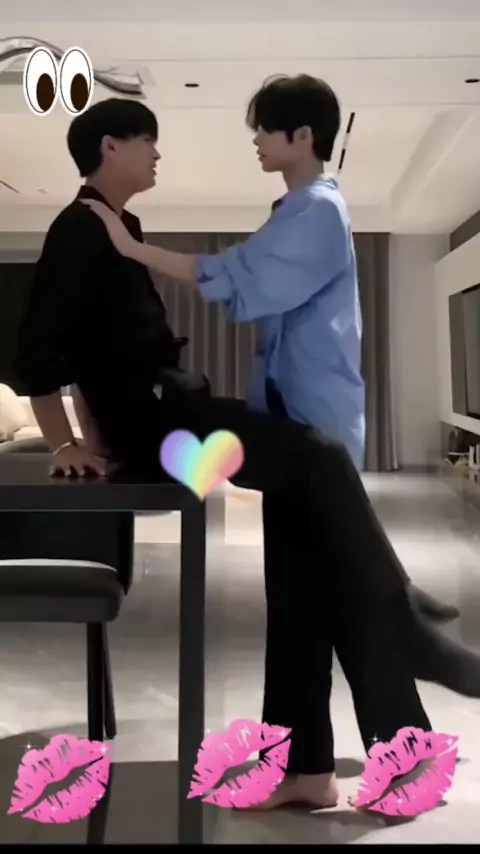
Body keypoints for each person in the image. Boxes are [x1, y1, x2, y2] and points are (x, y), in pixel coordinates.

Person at [14, 96, 477, 810]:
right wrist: (68, 440)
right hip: (163, 431)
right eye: (148, 142)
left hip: (168, 416)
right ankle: (404, 624)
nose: (158, 154)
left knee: (303, 584)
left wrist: (92, 425)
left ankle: (308, 767)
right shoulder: (80, 227)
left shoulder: (122, 226)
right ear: (111, 147)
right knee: (318, 466)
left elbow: (103, 343)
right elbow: (42, 347)